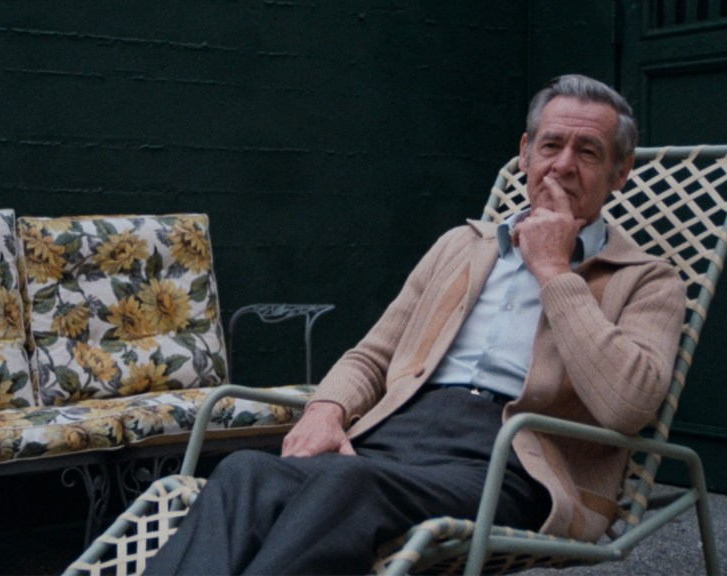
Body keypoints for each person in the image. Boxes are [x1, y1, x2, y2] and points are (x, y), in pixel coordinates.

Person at [145, 74, 686, 575]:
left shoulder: (648, 280)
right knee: (245, 472)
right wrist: (326, 410)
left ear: (620, 173)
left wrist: (553, 269)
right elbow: (373, 355)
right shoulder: (461, 246)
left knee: (344, 485)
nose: (564, 164)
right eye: (551, 145)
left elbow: (627, 405)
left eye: (587, 152)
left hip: (515, 458)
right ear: (525, 154)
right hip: (395, 434)